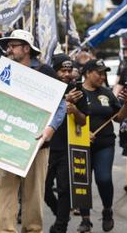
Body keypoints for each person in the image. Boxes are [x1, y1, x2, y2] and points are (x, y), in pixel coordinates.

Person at [0, 29, 67, 233]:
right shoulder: (4, 71)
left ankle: (33, 230)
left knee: (34, 194)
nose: (8, 49)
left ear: (26, 49)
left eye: (13, 46)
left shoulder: (45, 72)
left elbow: (60, 105)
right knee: (5, 192)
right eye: (7, 46)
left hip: (38, 144)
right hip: (6, 142)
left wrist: (50, 129)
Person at [77, 59, 127, 233]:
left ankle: (107, 211)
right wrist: (84, 133)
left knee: (104, 179)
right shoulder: (76, 92)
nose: (102, 76)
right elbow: (68, 117)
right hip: (80, 144)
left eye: (104, 73)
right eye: (98, 73)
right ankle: (85, 220)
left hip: (104, 144)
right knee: (82, 182)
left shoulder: (107, 93)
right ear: (87, 73)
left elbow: (118, 118)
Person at [44, 54, 87, 233]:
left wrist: (74, 109)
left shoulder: (77, 91)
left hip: (67, 147)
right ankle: (60, 214)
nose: (67, 74)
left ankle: (61, 225)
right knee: (44, 189)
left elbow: (83, 121)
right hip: (45, 146)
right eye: (63, 70)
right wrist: (63, 101)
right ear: (54, 71)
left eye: (70, 70)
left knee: (64, 188)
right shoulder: (45, 88)